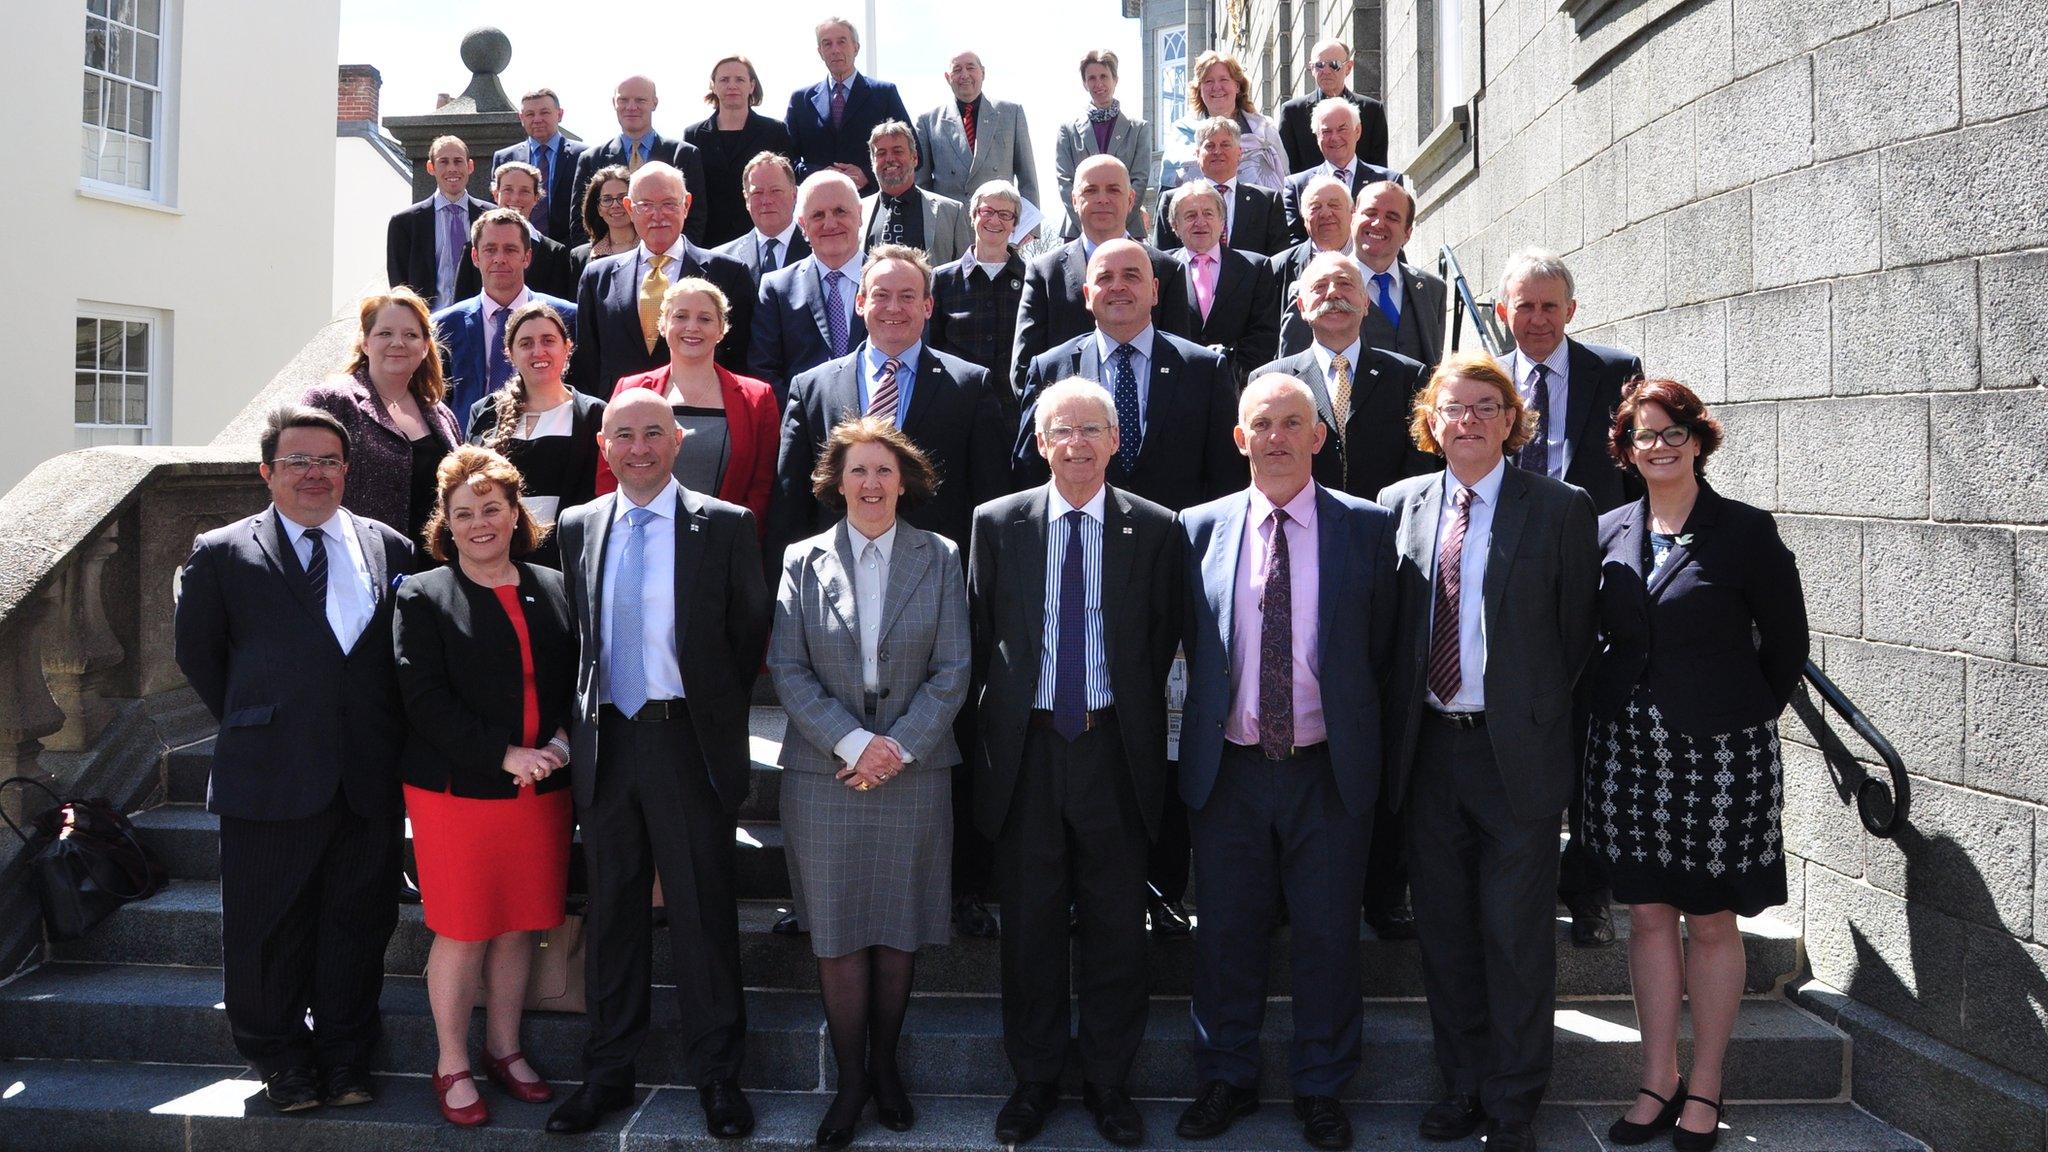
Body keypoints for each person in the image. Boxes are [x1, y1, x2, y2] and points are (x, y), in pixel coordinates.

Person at [1378, 353, 1599, 1152]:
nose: (1466, 421)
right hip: (1429, 753)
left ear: (1511, 421)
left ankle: (1513, 1102)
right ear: (1429, 424)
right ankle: (1463, 1085)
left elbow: (1575, 638)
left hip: (1517, 758)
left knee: (1514, 936)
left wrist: (1529, 714)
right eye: (1451, 408)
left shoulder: (1560, 509)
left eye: (1484, 407)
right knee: (1445, 932)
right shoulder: (1397, 504)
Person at [1173, 375, 1398, 1151]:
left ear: (1318, 436)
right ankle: (1225, 1077)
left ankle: (1322, 1087)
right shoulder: (1196, 528)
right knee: (1226, 934)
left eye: (1291, 422)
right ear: (1239, 438)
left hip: (1327, 768)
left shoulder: (1366, 529)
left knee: (1330, 935)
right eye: (1261, 423)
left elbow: (1382, 651)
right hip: (1229, 767)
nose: (1275, 436)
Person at [544, 390, 772, 1137]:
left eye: (652, 434)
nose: (638, 448)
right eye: (623, 437)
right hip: (607, 743)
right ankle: (607, 1073)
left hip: (685, 741)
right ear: (603, 448)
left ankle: (718, 1077)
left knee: (704, 911)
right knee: (612, 914)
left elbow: (745, 639)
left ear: (678, 441)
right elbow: (571, 640)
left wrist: (704, 714)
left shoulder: (727, 526)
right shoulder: (577, 527)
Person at [1586, 380, 1807, 1152]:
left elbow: (1787, 651)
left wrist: (1731, 714)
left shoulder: (1745, 531)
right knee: (1646, 915)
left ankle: (1705, 1086)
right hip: (1626, 753)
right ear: (1626, 447)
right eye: (1643, 434)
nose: (1659, 444)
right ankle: (1658, 1078)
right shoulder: (1609, 528)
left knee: (1710, 920)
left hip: (1721, 757)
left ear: (1698, 438)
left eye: (1673, 430)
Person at [173, 404, 411, 1113]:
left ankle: (344, 1056)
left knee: (358, 925)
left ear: (348, 470)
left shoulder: (390, 546)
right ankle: (281, 1060)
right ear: (267, 472)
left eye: (330, 461)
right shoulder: (221, 551)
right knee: (265, 929)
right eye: (299, 461)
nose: (315, 473)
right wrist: (267, 722)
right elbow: (201, 657)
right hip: (269, 773)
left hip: (367, 778)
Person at [969, 379, 1180, 1148]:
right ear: (1042, 441)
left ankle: (1107, 1082)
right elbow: (979, 630)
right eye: (1064, 430)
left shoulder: (1155, 529)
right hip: (1024, 750)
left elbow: (1160, 640)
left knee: (1116, 924)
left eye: (1094, 429)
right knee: (1028, 925)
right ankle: (1032, 1080)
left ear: (1116, 440)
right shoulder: (997, 524)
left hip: (1113, 749)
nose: (1080, 444)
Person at [767, 418, 970, 1149]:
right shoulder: (800, 559)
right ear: (836, 482)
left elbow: (954, 669)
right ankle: (851, 1081)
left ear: (904, 479)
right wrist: (854, 742)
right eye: (858, 471)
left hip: (913, 773)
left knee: (898, 928)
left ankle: (886, 1067)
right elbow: (786, 668)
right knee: (841, 932)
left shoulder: (941, 557)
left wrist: (896, 749)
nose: (873, 484)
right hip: (826, 773)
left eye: (885, 471)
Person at [393, 446, 577, 1127]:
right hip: (457, 791)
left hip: (543, 788)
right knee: (466, 926)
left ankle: (504, 1047)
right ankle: (451, 1061)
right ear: (446, 520)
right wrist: (504, 756)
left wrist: (557, 745)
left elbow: (573, 684)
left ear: (513, 512)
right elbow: (423, 697)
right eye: (463, 513)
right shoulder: (423, 593)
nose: (479, 524)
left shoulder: (553, 585)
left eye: (491, 509)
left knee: (522, 925)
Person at [1496, 249, 1643, 947]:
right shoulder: (1482, 381)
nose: (1537, 319)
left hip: (1590, 571)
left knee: (1589, 734)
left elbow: (1640, 470)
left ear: (1571, 311)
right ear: (1503, 312)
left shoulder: (1614, 373)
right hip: (1502, 578)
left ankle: (1587, 891)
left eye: (1550, 305)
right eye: (1523, 305)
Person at [769, 244, 1008, 572]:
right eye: (881, 295)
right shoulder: (811, 389)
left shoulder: (969, 386)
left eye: (908, 296)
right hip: (835, 578)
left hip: (933, 580)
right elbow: (789, 503)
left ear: (927, 306)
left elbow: (990, 498)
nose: (893, 308)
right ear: (860, 302)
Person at [1014, 239, 1244, 516]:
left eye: (1131, 276)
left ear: (1155, 290)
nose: (1117, 286)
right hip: (1081, 540)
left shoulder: (1204, 369)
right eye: (1105, 277)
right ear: (1087, 294)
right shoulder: (1050, 369)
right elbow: (1029, 471)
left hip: (1178, 543)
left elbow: (1227, 474)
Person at [598, 278, 780, 530]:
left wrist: (735, 539)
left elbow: (762, 486)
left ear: (721, 329)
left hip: (722, 546)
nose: (692, 327)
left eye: (705, 318)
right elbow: (609, 472)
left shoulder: (758, 397)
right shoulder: (630, 389)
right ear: (663, 325)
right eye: (681, 316)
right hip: (638, 534)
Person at [302, 289, 462, 567]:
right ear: (365, 342)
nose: (398, 343)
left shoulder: (442, 415)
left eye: (410, 335)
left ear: (425, 347)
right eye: (385, 333)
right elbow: (301, 480)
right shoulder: (333, 401)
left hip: (435, 570)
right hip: (358, 566)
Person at [1256, 251, 1430, 503]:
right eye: (1320, 286)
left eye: (1345, 284)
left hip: (1385, 528)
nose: (1334, 293)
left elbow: (1421, 467)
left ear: (1366, 302)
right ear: (1302, 308)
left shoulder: (1408, 376)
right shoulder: (1269, 380)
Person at [574, 161, 755, 392]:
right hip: (619, 416)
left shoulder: (729, 273)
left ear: (686, 205)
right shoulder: (597, 277)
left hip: (700, 414)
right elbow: (587, 363)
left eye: (669, 204)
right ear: (630, 208)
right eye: (646, 205)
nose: (658, 216)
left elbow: (740, 358)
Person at [1010, 156, 1177, 401]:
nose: (1102, 199)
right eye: (1090, 190)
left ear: (1131, 199)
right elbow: (1025, 371)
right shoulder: (1044, 272)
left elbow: (1180, 361)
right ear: (1074, 200)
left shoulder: (1166, 269)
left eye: (1113, 189)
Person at [467, 301, 607, 568]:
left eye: (548, 340)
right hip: (497, 563)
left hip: (566, 563)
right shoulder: (485, 412)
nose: (538, 351)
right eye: (526, 343)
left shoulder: (594, 415)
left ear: (567, 348)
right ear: (510, 353)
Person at [434, 207, 580, 422]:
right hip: (469, 448)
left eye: (510, 249)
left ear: (527, 257)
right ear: (475, 256)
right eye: (490, 249)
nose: (499, 258)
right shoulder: (444, 325)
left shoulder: (568, 318)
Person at [750, 171, 868, 398]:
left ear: (860, 214)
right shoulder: (777, 289)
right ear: (802, 225)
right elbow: (765, 371)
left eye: (840, 211)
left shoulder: (890, 283)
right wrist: (805, 419)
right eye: (818, 215)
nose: (830, 223)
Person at [1158, 181, 1279, 385]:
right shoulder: (1161, 269)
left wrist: (1228, 373)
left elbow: (1264, 335)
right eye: (1190, 216)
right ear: (1175, 226)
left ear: (1222, 222)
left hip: (1238, 386)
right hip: (1177, 385)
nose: (1200, 222)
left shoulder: (1256, 268)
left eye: (1208, 214)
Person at [567, 75, 711, 245]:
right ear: (614, 103)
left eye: (640, 100)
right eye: (624, 100)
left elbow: (695, 219)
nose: (631, 107)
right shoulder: (591, 159)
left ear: (654, 103)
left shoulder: (683, 154)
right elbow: (580, 222)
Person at [930, 181, 1028, 413]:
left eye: (1005, 214)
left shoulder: (1032, 278)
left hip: (1014, 410)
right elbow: (931, 346)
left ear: (1015, 224)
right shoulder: (943, 279)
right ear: (973, 216)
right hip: (956, 405)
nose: (995, 221)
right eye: (987, 211)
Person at [786, 16, 912, 190]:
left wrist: (868, 174)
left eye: (842, 42)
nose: (835, 50)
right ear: (820, 52)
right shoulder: (801, 100)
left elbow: (913, 154)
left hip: (871, 203)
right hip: (819, 205)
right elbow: (784, 161)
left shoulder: (884, 94)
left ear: (856, 47)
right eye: (827, 44)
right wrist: (820, 175)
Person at [686, 55, 799, 248]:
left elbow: (789, 185)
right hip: (709, 240)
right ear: (713, 86)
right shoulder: (694, 135)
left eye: (739, 79)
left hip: (762, 239)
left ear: (752, 85)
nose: (732, 86)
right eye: (724, 80)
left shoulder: (774, 131)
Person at [914, 51, 1040, 211]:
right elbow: (922, 186)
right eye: (957, 70)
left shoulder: (1011, 114)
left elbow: (1028, 179)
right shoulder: (928, 121)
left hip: (998, 221)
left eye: (970, 67)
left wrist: (1030, 229)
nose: (964, 75)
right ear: (948, 77)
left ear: (983, 73)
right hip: (949, 225)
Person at [1152, 117, 1290, 257]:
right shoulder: (1172, 200)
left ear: (1239, 152)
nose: (1217, 151)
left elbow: (1279, 260)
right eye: (1210, 146)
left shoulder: (1266, 202)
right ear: (1197, 154)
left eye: (1225, 145)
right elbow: (1161, 260)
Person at [1344, 181, 1446, 369]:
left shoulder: (1432, 289)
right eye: (1370, 213)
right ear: (1352, 218)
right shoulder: (1319, 286)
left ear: (1407, 234)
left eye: (1392, 217)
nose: (1378, 223)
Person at [1160, 51, 1287, 194]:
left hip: (1257, 215)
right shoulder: (1181, 133)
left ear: (1237, 86)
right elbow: (1167, 193)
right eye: (1208, 81)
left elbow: (1286, 181)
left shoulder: (1264, 130)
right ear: (1199, 90)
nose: (1216, 87)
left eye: (1224, 80)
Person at [387, 135, 491, 309]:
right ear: (430, 167)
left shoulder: (491, 217)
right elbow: (399, 288)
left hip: (479, 321)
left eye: (458, 161)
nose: (452, 168)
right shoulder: (404, 224)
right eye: (444, 162)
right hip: (429, 324)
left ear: (470, 166)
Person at [1054, 50, 1149, 241]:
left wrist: (1116, 223)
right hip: (1078, 232)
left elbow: (1139, 179)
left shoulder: (1138, 129)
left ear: (1115, 80)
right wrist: (1088, 224)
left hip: (1127, 230)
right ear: (1084, 83)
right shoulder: (1068, 130)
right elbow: (1065, 182)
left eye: (1104, 76)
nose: (1098, 84)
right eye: (1091, 78)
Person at [1280, 99, 1402, 244]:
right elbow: (1294, 242)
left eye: (1342, 129)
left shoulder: (1388, 181)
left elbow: (1396, 235)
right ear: (1317, 136)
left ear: (1357, 131)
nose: (1335, 138)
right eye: (1326, 131)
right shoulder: (1296, 186)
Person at [861, 120, 971, 265]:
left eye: (897, 151)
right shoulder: (857, 211)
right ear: (872, 162)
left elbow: (965, 273)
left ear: (914, 158)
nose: (889, 159)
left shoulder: (952, 212)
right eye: (881, 153)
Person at [1271, 176, 1356, 352]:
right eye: (1315, 207)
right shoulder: (1277, 268)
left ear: (1352, 212)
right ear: (1303, 218)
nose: (1325, 213)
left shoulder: (1372, 260)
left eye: (1334, 205)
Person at [1278, 39, 1389, 172]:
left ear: (1348, 68)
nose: (1326, 71)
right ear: (1312, 69)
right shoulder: (1293, 113)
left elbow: (1379, 170)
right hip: (1311, 191)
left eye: (1334, 65)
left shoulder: (1371, 111)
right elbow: (1287, 170)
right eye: (1319, 65)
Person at [493, 87, 586, 241]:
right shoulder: (505, 158)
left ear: (560, 114)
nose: (537, 119)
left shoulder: (584, 156)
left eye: (544, 112)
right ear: (521, 118)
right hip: (518, 249)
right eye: (530, 114)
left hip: (569, 251)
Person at [714, 151, 811, 287]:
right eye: (757, 192)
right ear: (746, 199)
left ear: (794, 194)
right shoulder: (720, 260)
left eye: (775, 191)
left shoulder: (818, 251)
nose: (767, 200)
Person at [486, 161, 578, 300]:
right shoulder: (473, 247)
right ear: (495, 194)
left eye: (524, 191)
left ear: (536, 198)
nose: (515, 198)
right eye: (508, 190)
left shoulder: (555, 253)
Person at [571, 164, 638, 279]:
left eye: (622, 197)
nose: (615, 205)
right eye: (607, 199)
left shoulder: (653, 248)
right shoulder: (581, 256)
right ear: (599, 209)